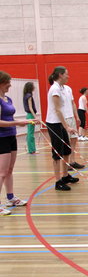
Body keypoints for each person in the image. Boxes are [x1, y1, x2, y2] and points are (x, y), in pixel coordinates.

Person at [0, 71, 36, 215]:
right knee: (1, 172)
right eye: (8, 82)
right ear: (1, 83)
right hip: (1, 138)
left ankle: (10, 197)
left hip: (11, 136)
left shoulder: (8, 99)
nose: (10, 85)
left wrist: (20, 123)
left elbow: (9, 118)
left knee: (9, 170)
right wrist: (18, 122)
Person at [45, 66, 80, 191]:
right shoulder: (55, 89)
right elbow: (57, 109)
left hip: (61, 123)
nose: (68, 76)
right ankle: (57, 181)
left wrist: (66, 125)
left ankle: (65, 176)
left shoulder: (62, 88)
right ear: (60, 75)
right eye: (66, 74)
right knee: (57, 153)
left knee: (66, 150)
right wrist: (67, 127)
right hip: (54, 124)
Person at [63, 84, 85, 170]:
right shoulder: (56, 89)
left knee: (74, 138)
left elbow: (73, 103)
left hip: (71, 117)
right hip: (64, 117)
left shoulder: (68, 88)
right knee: (66, 141)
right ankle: (67, 163)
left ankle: (72, 161)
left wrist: (77, 116)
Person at [23, 82, 40, 154]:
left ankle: (32, 149)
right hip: (30, 115)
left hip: (28, 115)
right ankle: (32, 150)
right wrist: (35, 117)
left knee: (30, 133)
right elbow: (30, 108)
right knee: (31, 133)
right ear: (30, 87)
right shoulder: (29, 95)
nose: (34, 87)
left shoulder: (25, 95)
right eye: (33, 86)